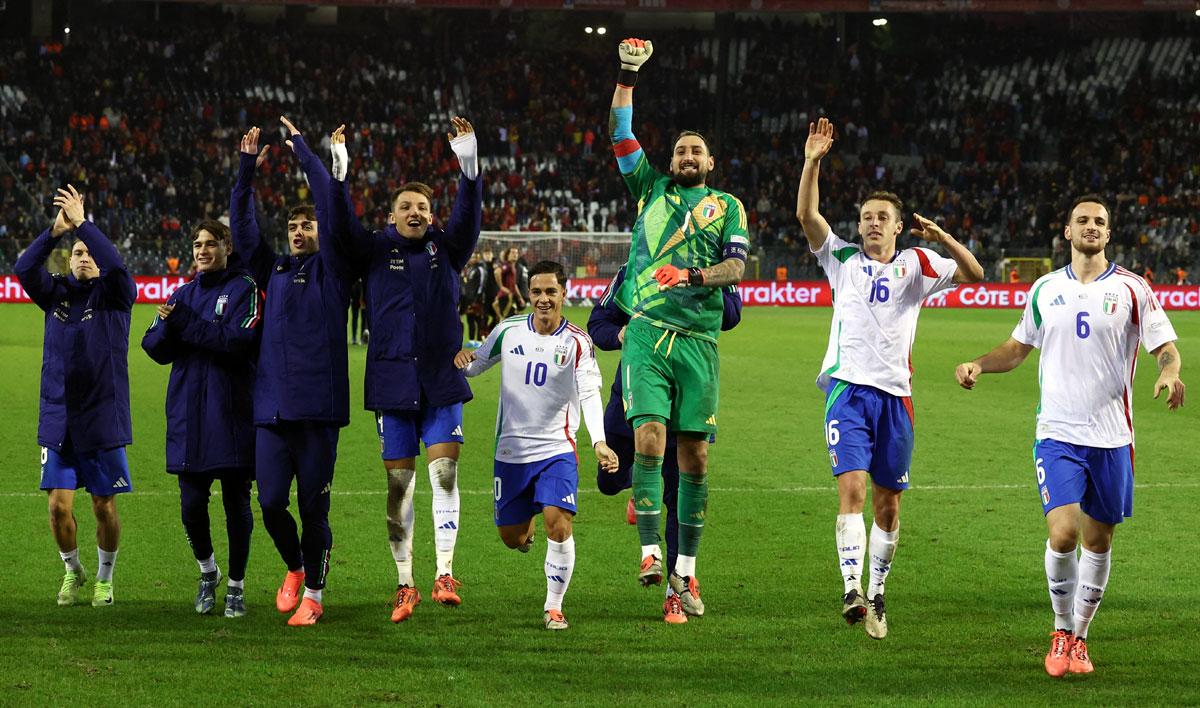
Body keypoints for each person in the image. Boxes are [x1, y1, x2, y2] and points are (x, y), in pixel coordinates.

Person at [954, 194, 1185, 677]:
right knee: (1063, 534)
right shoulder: (1043, 288)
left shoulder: (1132, 289)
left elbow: (1165, 347)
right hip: (1056, 433)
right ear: (1067, 231)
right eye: (1083, 220)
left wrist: (1168, 372)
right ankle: (1061, 629)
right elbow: (1018, 348)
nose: (1092, 226)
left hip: (1112, 437)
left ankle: (1080, 637)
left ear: (1109, 232)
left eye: (1100, 221)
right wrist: (980, 362)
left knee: (1097, 543)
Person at [796, 116, 984, 639]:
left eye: (882, 217)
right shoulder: (842, 260)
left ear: (899, 225)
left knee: (889, 503)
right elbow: (807, 213)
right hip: (849, 393)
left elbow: (974, 274)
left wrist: (942, 235)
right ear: (857, 226)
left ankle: (878, 592)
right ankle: (851, 587)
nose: (873, 223)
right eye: (866, 217)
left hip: (897, 400)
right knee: (852, 490)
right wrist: (813, 160)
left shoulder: (918, 265)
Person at [608, 37, 750, 623]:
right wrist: (627, 77)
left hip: (699, 343)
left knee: (694, 459)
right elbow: (621, 134)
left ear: (710, 164)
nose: (688, 155)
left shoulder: (729, 206)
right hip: (647, 333)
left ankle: (685, 573)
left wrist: (689, 272)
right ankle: (648, 552)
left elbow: (737, 268)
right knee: (648, 441)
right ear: (671, 161)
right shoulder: (648, 189)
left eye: (698, 150)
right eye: (681, 150)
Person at [328, 118, 482, 622]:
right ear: (391, 215)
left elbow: (468, 216)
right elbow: (339, 224)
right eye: (406, 207)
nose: (415, 212)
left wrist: (468, 164)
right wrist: (340, 172)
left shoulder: (447, 248)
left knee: (445, 475)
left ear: (431, 216)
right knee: (399, 488)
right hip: (392, 382)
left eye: (422, 207)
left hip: (439, 381)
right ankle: (405, 583)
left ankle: (444, 573)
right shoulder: (373, 249)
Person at [231, 119, 357, 626]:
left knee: (313, 509)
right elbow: (243, 234)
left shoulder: (335, 269)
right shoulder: (275, 271)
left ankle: (316, 598)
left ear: (321, 232)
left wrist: (305, 150)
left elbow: (329, 200)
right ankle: (296, 567)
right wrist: (245, 172)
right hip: (272, 409)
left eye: (307, 225)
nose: (299, 231)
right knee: (271, 504)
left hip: (318, 412)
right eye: (292, 227)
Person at [454, 260, 617, 630]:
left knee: (557, 524)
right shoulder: (509, 330)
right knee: (512, 538)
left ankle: (553, 606)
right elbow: (477, 364)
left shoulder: (577, 341)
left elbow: (589, 393)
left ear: (564, 293)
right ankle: (524, 533)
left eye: (551, 292)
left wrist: (599, 442)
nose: (543, 299)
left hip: (556, 449)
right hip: (510, 452)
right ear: (529, 294)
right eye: (537, 292)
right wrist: (461, 360)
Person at [588, 264, 742, 623]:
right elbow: (598, 322)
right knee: (608, 482)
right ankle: (640, 488)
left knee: (677, 495)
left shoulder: (711, 266)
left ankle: (677, 590)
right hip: (635, 393)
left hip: (688, 390)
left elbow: (732, 315)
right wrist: (623, 333)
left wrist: (698, 282)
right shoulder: (637, 266)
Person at [15, 184, 136, 608]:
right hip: (58, 416)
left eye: (91, 253)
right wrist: (55, 231)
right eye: (78, 252)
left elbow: (118, 265)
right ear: (70, 259)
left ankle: (105, 578)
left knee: (104, 507)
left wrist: (85, 223)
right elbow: (23, 269)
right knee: (57, 509)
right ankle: (73, 570)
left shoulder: (116, 295)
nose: (85, 257)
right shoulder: (56, 295)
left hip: (102, 417)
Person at [141, 219, 261, 617]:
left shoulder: (245, 288)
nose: (202, 250)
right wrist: (173, 328)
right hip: (188, 415)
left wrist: (184, 324)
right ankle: (208, 573)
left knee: (236, 505)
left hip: (231, 415)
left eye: (211, 243)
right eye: (197, 244)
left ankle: (237, 586)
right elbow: (153, 346)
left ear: (227, 247)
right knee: (191, 505)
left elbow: (237, 342)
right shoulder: (182, 293)